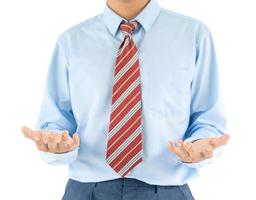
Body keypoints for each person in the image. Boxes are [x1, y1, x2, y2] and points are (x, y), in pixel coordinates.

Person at [21, 0, 230, 199]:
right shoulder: (70, 41)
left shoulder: (193, 35)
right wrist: (56, 143)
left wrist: (199, 145)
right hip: (86, 190)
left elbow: (207, 116)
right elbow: (56, 120)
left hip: (167, 190)